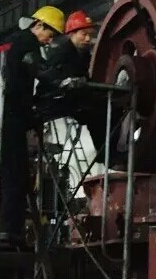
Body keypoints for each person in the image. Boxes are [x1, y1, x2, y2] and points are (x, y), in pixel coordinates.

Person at [0, 6, 65, 247]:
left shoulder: (8, 42)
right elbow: (38, 69)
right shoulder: (28, 43)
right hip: (10, 113)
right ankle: (10, 232)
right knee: (15, 173)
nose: (49, 40)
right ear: (39, 25)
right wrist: (62, 81)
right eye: (49, 34)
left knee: (5, 168)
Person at [35, 10, 126, 167]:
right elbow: (51, 78)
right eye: (84, 34)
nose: (88, 39)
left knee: (112, 107)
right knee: (98, 112)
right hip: (55, 100)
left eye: (90, 35)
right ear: (71, 34)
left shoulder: (83, 55)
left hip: (73, 98)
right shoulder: (61, 53)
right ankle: (106, 155)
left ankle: (111, 152)